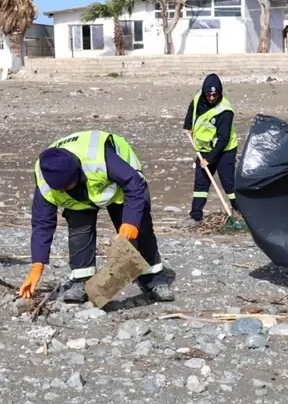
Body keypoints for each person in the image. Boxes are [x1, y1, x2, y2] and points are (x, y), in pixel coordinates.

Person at [19, 129, 174, 304]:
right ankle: (81, 281)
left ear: (77, 172)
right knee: (79, 230)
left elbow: (134, 183)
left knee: (140, 229)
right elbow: (42, 223)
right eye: (60, 189)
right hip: (80, 201)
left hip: (121, 188)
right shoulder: (45, 180)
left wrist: (131, 222)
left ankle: (155, 280)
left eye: (67, 186)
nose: (63, 191)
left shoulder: (101, 159)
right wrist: (37, 265)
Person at [182, 73, 238, 222]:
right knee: (201, 181)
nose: (212, 97)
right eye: (209, 94)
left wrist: (210, 159)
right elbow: (191, 110)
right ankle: (195, 215)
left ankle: (239, 211)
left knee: (228, 182)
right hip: (204, 148)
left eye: (215, 94)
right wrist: (187, 126)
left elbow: (223, 139)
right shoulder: (198, 97)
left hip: (225, 149)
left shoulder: (225, 111)